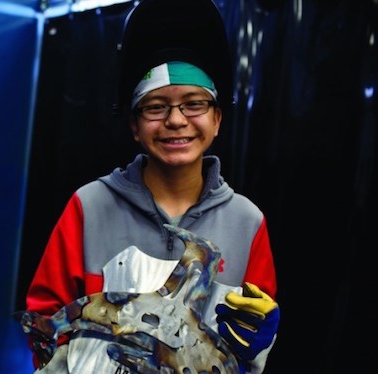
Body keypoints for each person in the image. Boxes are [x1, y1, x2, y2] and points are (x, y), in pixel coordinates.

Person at [23, 1, 279, 373]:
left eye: (194, 104)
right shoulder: (89, 206)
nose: (176, 121)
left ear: (217, 119)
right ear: (134, 125)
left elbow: (250, 347)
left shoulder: (247, 222)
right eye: (155, 107)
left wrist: (258, 341)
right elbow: (45, 321)